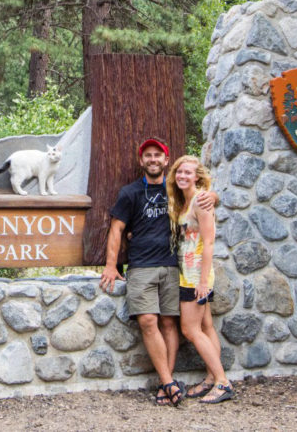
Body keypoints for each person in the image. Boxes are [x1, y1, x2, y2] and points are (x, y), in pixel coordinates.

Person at [99, 139, 217, 406]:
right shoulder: (129, 193)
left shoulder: (176, 189)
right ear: (142, 161)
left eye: (158, 156)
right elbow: (117, 229)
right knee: (148, 322)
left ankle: (168, 383)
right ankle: (167, 382)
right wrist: (110, 265)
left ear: (166, 161)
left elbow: (202, 197)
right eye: (148, 156)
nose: (153, 160)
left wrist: (214, 195)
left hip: (173, 266)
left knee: (168, 323)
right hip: (141, 267)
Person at [168, 155, 235, 404]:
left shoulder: (201, 202)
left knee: (190, 329)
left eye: (188, 172)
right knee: (206, 327)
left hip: (197, 276)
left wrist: (204, 281)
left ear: (197, 176)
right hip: (187, 274)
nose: (183, 176)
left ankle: (222, 382)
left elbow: (208, 241)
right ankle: (210, 378)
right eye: (179, 172)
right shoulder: (184, 203)